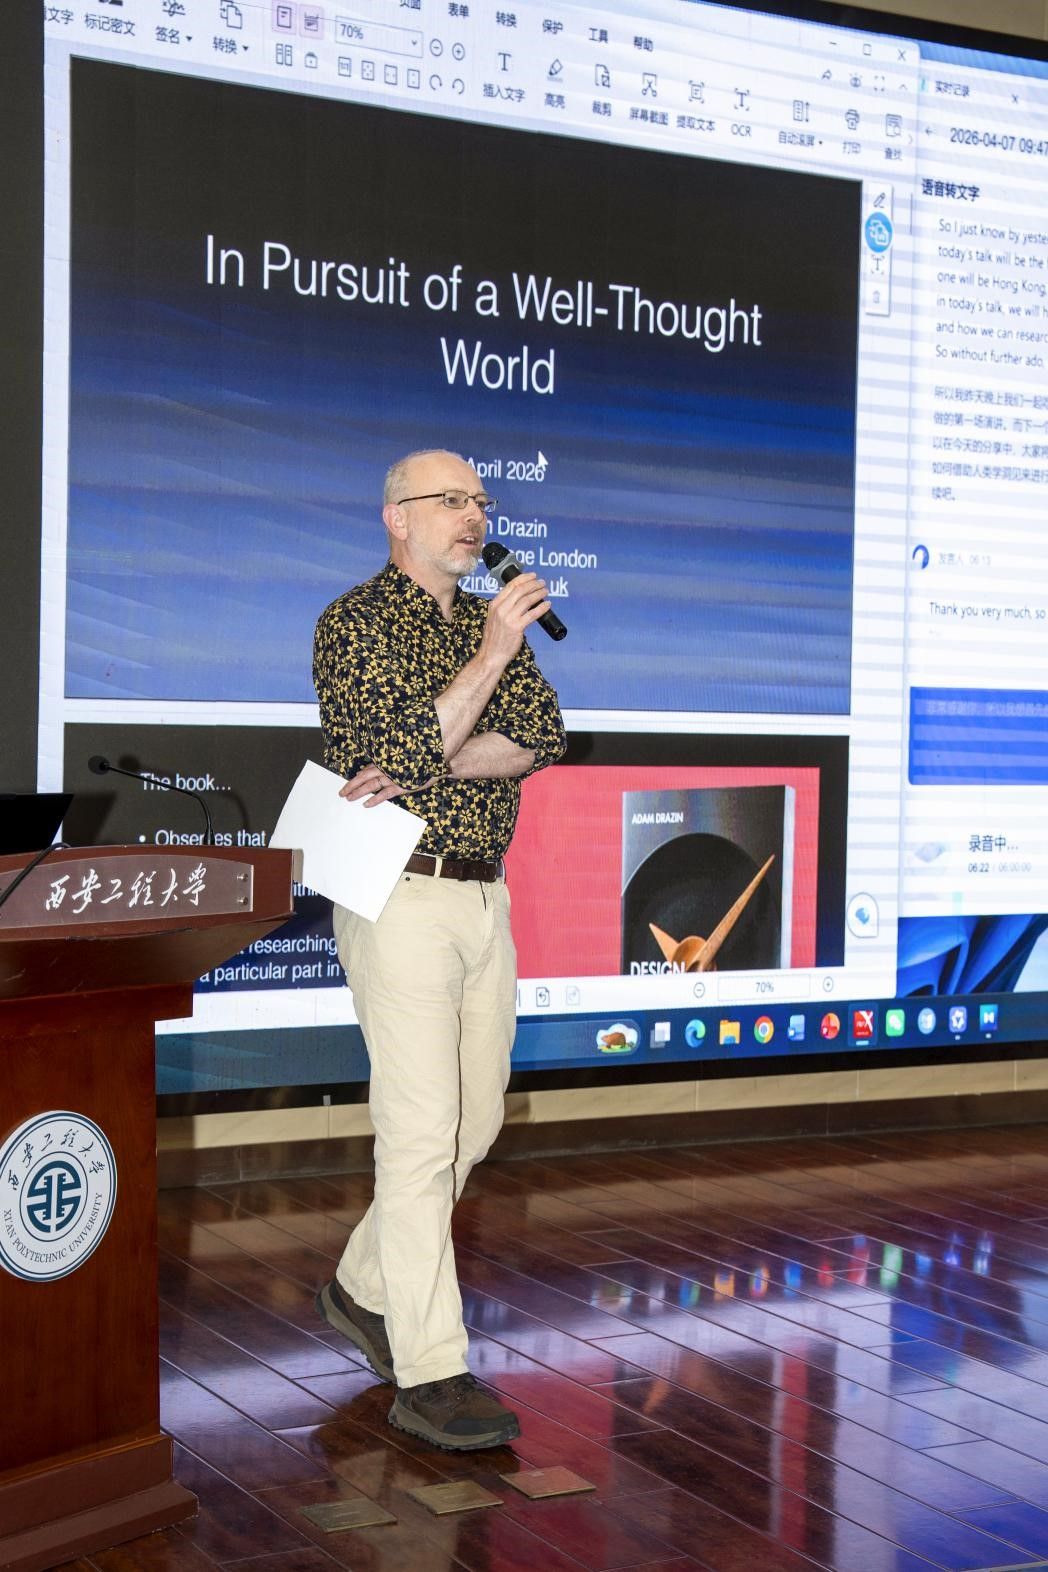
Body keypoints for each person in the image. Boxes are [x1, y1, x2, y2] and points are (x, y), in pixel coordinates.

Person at [312, 448, 566, 1450]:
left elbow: (539, 738)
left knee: (475, 1120)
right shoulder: (355, 623)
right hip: (399, 890)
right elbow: (387, 757)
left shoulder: (480, 622)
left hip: (483, 894)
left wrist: (431, 752)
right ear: (397, 516)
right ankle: (432, 1371)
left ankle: (362, 1283)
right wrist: (487, 664)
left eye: (480, 500)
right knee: (420, 1135)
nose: (474, 516)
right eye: (451, 500)